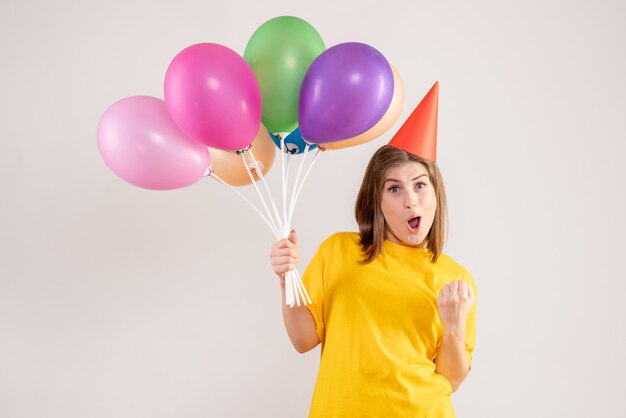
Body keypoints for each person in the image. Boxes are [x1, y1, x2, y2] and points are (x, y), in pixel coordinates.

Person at [270, 82, 477, 417]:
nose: (410, 200)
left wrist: (454, 324)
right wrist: (286, 278)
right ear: (377, 201)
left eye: (420, 185)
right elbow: (303, 340)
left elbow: (450, 380)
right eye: (394, 189)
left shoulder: (455, 279)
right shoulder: (338, 250)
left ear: (435, 194)